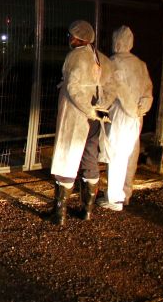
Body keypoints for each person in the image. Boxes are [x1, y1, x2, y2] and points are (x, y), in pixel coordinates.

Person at [48, 20, 116, 225]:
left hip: (76, 117)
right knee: (89, 158)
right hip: (94, 119)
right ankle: (87, 210)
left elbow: (73, 87)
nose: (69, 39)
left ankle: (59, 214)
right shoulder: (102, 59)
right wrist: (99, 108)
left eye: (71, 35)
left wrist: (87, 109)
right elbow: (112, 87)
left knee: (67, 158)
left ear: (78, 37)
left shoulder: (75, 56)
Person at [96, 26, 153, 211]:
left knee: (116, 156)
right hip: (136, 117)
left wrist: (98, 107)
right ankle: (125, 193)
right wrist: (140, 109)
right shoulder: (141, 64)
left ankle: (114, 199)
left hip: (119, 115)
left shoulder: (112, 63)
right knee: (130, 155)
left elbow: (109, 91)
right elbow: (148, 93)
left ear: (117, 41)